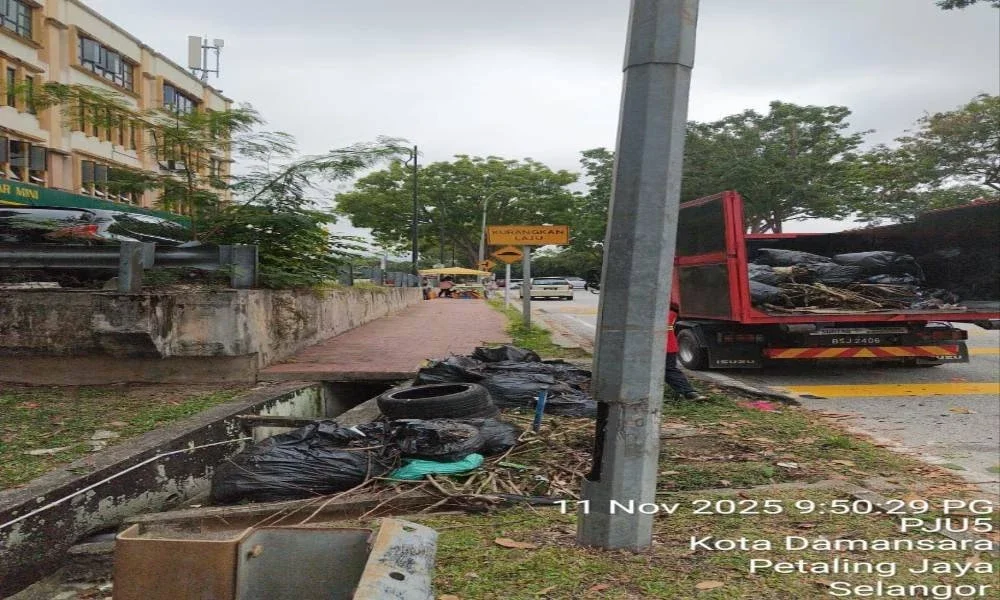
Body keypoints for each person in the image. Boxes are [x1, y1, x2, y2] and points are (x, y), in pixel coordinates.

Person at [665, 302, 707, 401]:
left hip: (659, 345)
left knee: (667, 370)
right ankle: (688, 392)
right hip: (669, 345)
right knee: (670, 370)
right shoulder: (673, 312)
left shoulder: (653, 313)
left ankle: (687, 392)